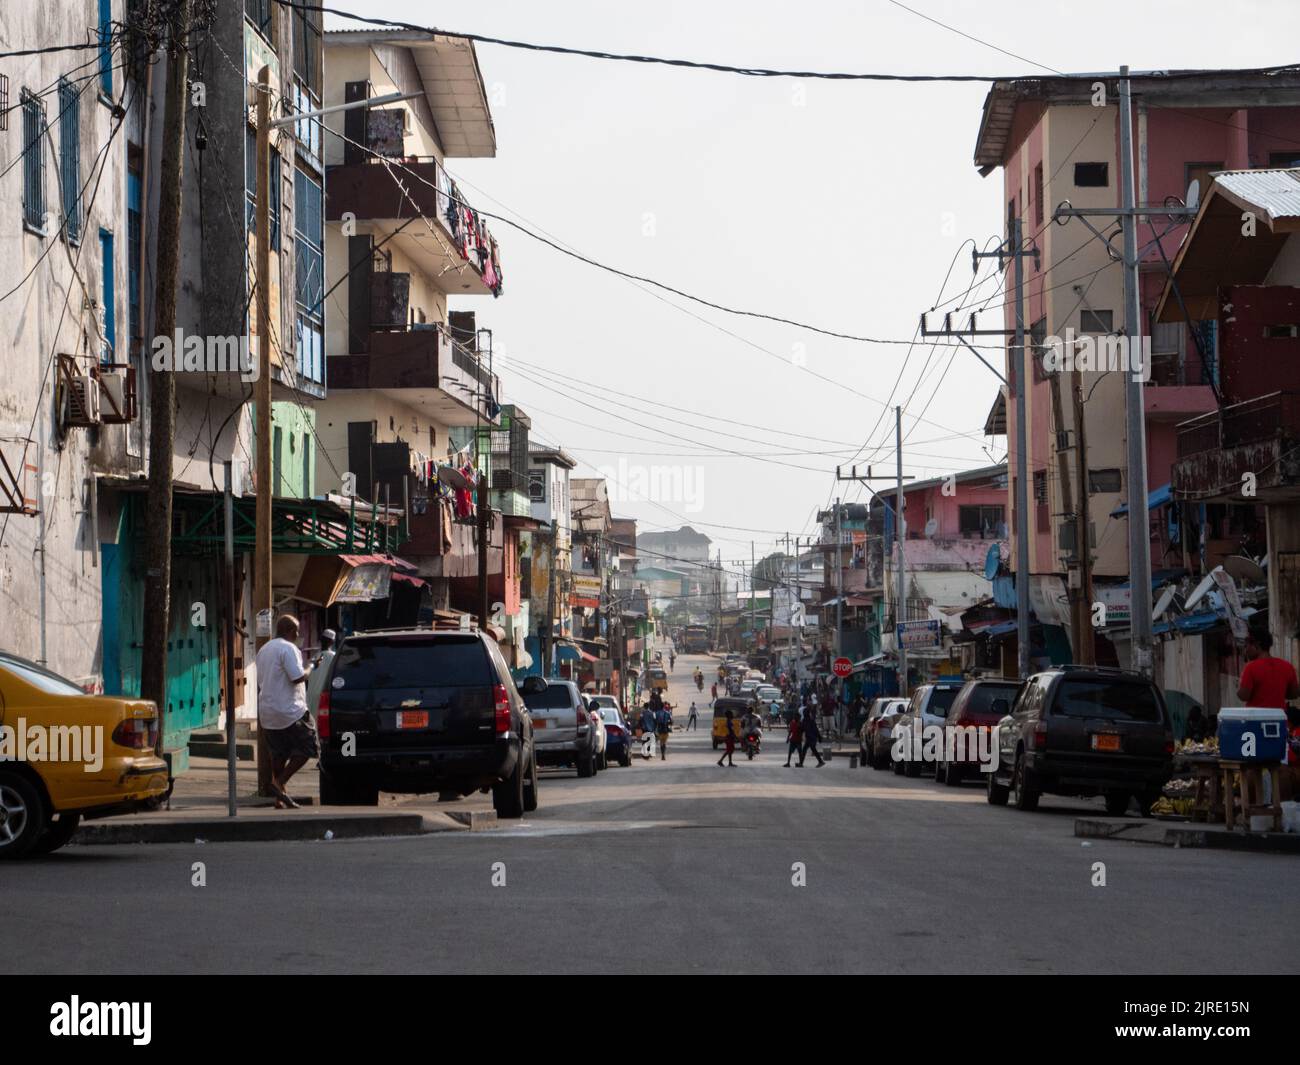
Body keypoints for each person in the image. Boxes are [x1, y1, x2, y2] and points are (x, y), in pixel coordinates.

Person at [254, 614, 320, 808]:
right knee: (310, 746)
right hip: (291, 711)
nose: (298, 634)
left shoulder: (263, 650)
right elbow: (297, 677)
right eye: (297, 630)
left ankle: (279, 798)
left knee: (279, 754)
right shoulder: (288, 648)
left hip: (267, 712)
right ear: (290, 631)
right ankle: (278, 783)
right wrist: (311, 666)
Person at [1237, 630, 1300, 708]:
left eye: (1246, 646)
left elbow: (1243, 696)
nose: (1246, 651)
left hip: (1257, 718)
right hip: (1279, 717)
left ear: (1256, 644)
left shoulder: (1251, 667)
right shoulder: (1287, 666)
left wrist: (1239, 688)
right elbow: (1294, 694)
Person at [304, 627, 337, 720]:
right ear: (332, 641)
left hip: (311, 697)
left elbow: (306, 679)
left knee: (313, 724)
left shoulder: (313, 658)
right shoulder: (335, 657)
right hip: (325, 697)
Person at [798, 703, 825, 768]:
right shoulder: (810, 720)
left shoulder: (805, 721)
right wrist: (819, 737)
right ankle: (801, 763)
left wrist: (819, 737)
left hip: (811, 738)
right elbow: (816, 730)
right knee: (807, 750)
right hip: (811, 738)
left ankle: (820, 761)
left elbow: (802, 729)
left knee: (811, 749)